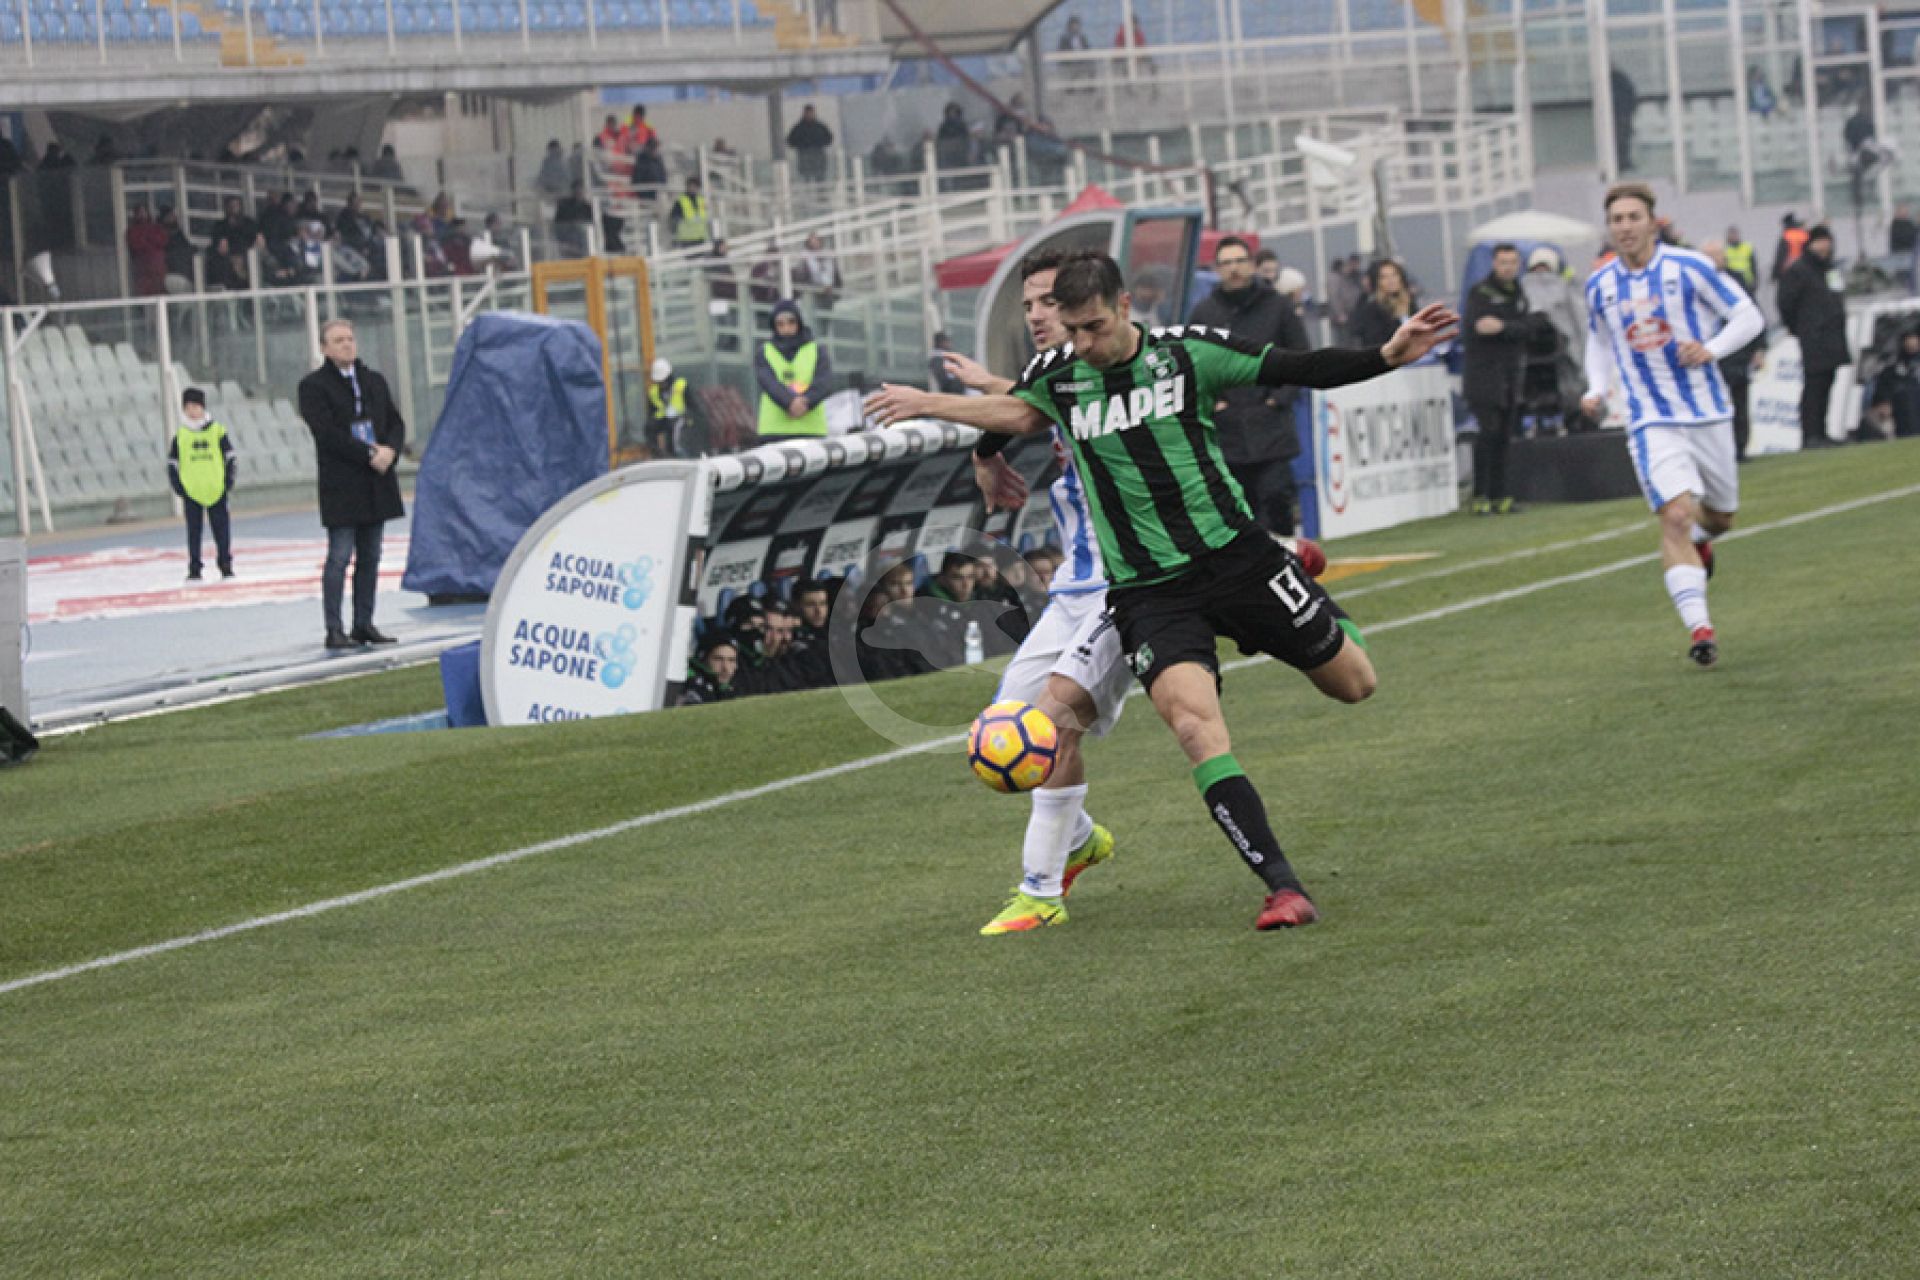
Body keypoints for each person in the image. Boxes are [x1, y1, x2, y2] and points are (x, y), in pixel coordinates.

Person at [868, 250, 1455, 931]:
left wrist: (1387, 354)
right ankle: (1282, 888)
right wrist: (933, 411)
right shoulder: (1060, 374)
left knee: (1355, 684)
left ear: (1124, 307)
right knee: (1194, 728)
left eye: (1093, 328)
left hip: (1238, 563)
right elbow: (1015, 415)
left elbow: (1299, 367)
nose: (1083, 345)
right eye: (1071, 330)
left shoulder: (1188, 354)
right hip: (1150, 593)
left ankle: (1293, 571)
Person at [1580, 183, 1765, 669]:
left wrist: (1711, 349)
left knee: (1719, 519)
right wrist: (1596, 388)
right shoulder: (1600, 284)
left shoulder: (1689, 267)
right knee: (1676, 516)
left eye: (1633, 217)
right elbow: (1599, 341)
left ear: (1652, 222)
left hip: (1707, 411)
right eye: (1616, 219)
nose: (1624, 227)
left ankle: (1703, 542)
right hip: (1649, 418)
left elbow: (1748, 316)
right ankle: (1701, 630)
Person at [1189, 235, 1309, 534]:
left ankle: (1286, 554)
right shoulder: (1204, 313)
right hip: (1227, 430)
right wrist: (1214, 404)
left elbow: (1300, 355)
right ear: (1217, 269)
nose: (1234, 269)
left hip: (1271, 423)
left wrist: (1279, 399)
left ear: (1253, 265)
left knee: (1276, 498)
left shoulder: (1278, 306)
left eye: (1240, 261)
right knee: (1240, 511)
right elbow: (1191, 364)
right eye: (1226, 263)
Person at [298, 319, 406, 651]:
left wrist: (390, 451)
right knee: (340, 556)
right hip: (342, 482)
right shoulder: (313, 387)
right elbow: (327, 433)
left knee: (371, 556)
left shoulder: (373, 381)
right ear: (324, 348)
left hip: (376, 481)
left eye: (349, 338)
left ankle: (364, 623)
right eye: (338, 340)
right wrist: (368, 453)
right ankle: (334, 628)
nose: (346, 344)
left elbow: (394, 422)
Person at [1462, 243, 1531, 515]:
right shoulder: (1481, 292)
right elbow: (1480, 327)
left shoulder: (1518, 292)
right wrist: (1512, 328)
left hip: (1510, 374)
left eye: (1512, 262)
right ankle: (1480, 495)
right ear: (1494, 264)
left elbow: (1527, 327)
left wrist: (1503, 326)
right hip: (1483, 375)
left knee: (1504, 435)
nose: (1508, 267)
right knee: (1487, 434)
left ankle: (1500, 495)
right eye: (1503, 262)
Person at [1776, 223, 1849, 450]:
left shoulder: (1830, 269)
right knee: (1814, 385)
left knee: (1827, 382)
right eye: (1821, 241)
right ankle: (1811, 434)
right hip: (1813, 337)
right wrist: (1799, 327)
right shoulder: (1799, 270)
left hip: (1833, 335)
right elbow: (1786, 303)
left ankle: (1822, 431)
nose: (1826, 246)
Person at [1702, 240, 1767, 461]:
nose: (1714, 260)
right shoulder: (1694, 284)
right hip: (1710, 353)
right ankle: (1720, 451)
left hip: (1738, 352)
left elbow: (1753, 314)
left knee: (1740, 402)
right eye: (1709, 256)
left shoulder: (1736, 280)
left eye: (1717, 255)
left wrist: (1759, 348)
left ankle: (1740, 448)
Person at [167, 388, 236, 581]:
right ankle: (195, 567)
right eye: (188, 407)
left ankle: (225, 564)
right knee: (194, 531)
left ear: (203, 407)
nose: (192, 411)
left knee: (221, 529)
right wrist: (178, 486)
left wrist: (228, 481)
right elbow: (172, 463)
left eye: (195, 406)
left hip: (216, 488)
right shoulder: (181, 435)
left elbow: (230, 457)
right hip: (192, 490)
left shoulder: (217, 431)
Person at [754, 300, 832, 441]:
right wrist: (790, 402)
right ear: (774, 326)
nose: (786, 328)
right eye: (780, 324)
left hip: (811, 430)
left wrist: (805, 402)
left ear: (799, 323)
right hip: (774, 432)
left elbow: (824, 382)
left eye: (791, 322)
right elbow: (769, 383)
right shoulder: (764, 351)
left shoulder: (817, 350)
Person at [1348, 259, 1417, 348]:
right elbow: (1375, 343)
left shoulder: (1410, 304)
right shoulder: (1373, 309)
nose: (1391, 280)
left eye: (1394, 275)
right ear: (1378, 282)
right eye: (1384, 277)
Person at [1867, 326, 1920, 439]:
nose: (1912, 344)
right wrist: (1884, 402)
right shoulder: (1893, 369)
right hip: (1904, 415)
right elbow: (1882, 391)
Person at [679, 632, 738, 705]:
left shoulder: (734, 690)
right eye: (718, 659)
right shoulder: (690, 687)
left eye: (731, 660)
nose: (726, 667)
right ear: (703, 660)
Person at [647, 357, 690, 457]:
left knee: (675, 434)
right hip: (665, 419)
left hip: (681, 418)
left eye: (663, 381)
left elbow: (693, 405)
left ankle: (679, 456)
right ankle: (659, 455)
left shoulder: (681, 386)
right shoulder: (653, 392)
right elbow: (652, 412)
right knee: (649, 427)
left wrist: (688, 417)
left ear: (669, 377)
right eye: (659, 382)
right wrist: (653, 422)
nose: (661, 384)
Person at [126, 203, 169, 297]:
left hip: (158, 265)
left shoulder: (156, 227)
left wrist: (149, 239)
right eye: (139, 212)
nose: (142, 214)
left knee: (159, 289)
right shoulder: (132, 230)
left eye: (143, 211)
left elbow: (163, 240)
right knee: (145, 291)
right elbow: (136, 245)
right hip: (143, 266)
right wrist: (149, 241)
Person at [786, 105, 834, 183]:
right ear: (804, 113)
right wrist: (802, 146)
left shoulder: (820, 127)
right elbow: (790, 141)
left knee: (820, 181)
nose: (809, 115)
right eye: (807, 113)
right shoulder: (798, 128)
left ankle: (821, 191)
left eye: (811, 113)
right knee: (806, 181)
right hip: (804, 159)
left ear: (814, 113)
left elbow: (829, 138)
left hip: (819, 158)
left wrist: (819, 144)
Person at [554, 181, 595, 257]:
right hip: (568, 239)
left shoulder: (587, 207)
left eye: (581, 190)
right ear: (573, 191)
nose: (579, 192)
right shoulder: (564, 205)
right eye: (577, 190)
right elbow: (558, 223)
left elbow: (590, 223)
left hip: (582, 242)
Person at [668, 175, 710, 248]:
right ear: (687, 187)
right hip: (686, 239)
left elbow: (705, 218)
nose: (693, 188)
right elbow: (673, 219)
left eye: (695, 186)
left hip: (701, 237)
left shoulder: (701, 200)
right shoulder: (680, 201)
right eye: (691, 186)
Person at [1610, 65, 1638, 172]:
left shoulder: (1616, 79)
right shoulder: (1619, 78)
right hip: (1621, 112)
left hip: (1620, 113)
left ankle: (1622, 161)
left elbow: (1629, 94)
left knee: (1621, 138)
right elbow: (1631, 93)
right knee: (1621, 138)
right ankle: (1622, 161)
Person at [1772, 213, 1809, 284]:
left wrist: (1775, 274)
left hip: (1789, 271)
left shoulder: (1786, 236)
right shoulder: (1805, 234)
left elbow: (1781, 256)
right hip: (1805, 269)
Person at [1722, 225, 1758, 290]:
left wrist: (1755, 281)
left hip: (1746, 281)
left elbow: (1754, 266)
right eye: (1731, 235)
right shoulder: (1725, 249)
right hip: (1732, 281)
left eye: (1735, 235)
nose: (1733, 237)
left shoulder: (1747, 247)